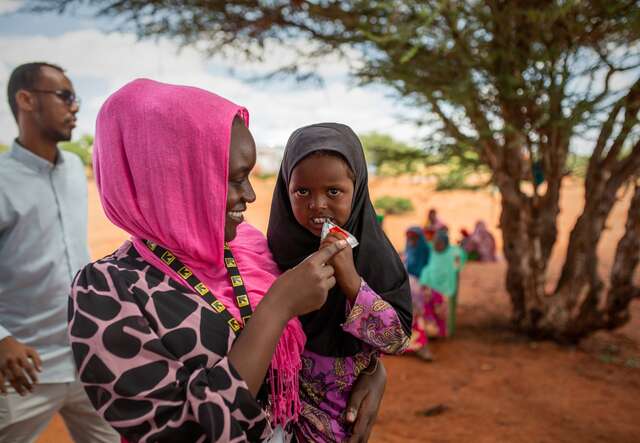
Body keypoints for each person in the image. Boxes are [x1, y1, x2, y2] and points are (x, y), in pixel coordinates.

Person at [67, 79, 387, 442]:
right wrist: (277, 307)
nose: (249, 195)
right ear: (172, 178)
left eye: (248, 177)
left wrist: (370, 371)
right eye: (233, 179)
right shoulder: (107, 291)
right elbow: (182, 431)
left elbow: (313, 346)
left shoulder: (248, 249)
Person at [267, 123, 412, 442]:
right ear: (285, 189)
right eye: (302, 191)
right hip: (275, 411)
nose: (317, 204)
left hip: (338, 416)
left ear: (357, 189)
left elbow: (397, 340)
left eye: (333, 191)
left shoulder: (374, 256)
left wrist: (351, 281)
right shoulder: (272, 251)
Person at [0, 62, 118, 442]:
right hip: (22, 369)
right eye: (64, 96)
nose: (75, 107)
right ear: (26, 100)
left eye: (75, 97)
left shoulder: (74, 169)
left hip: (86, 357)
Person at [418, 229, 466, 345]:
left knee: (442, 310)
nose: (437, 246)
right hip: (430, 286)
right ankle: (430, 332)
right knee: (427, 306)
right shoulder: (431, 251)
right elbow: (426, 267)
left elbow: (458, 265)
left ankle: (442, 332)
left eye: (439, 244)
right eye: (435, 243)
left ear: (445, 244)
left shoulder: (454, 253)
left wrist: (456, 266)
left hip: (446, 288)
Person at [402, 227, 437, 361]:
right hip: (408, 289)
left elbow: (430, 270)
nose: (411, 240)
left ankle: (421, 346)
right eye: (409, 238)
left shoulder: (426, 251)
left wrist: (426, 284)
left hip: (421, 287)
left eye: (414, 237)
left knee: (418, 319)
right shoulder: (409, 250)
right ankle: (410, 346)